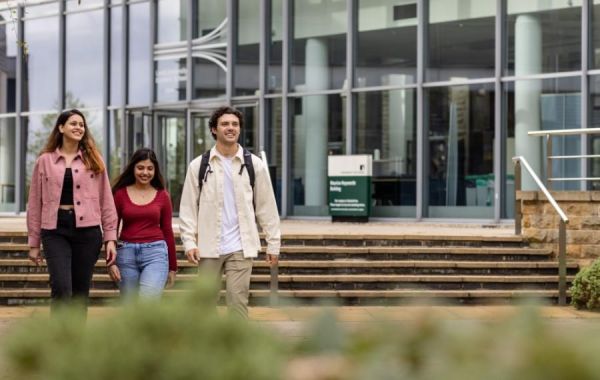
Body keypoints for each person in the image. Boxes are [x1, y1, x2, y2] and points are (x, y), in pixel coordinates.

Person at [179, 106, 280, 319]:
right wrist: (189, 242)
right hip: (208, 246)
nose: (230, 128)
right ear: (214, 129)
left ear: (240, 129)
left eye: (235, 124)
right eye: (225, 124)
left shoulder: (254, 165)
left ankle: (237, 349)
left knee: (238, 302)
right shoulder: (199, 165)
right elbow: (188, 208)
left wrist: (273, 243)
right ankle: (212, 347)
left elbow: (267, 207)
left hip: (241, 246)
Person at [26, 109, 118, 312]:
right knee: (61, 288)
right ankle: (59, 340)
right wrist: (34, 242)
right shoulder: (44, 161)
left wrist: (110, 238)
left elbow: (106, 200)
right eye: (73, 123)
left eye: (82, 125)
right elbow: (35, 203)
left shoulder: (94, 160)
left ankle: (75, 341)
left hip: (88, 233)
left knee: (79, 293)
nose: (79, 127)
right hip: (55, 230)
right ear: (61, 127)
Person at [109, 148, 177, 299]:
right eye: (140, 168)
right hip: (126, 254)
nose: (145, 172)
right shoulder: (120, 194)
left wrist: (173, 267)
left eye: (150, 168)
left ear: (155, 170)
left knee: (148, 302)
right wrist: (111, 262)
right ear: (133, 168)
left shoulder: (163, 196)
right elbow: (111, 228)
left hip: (156, 254)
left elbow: (167, 231)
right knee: (130, 307)